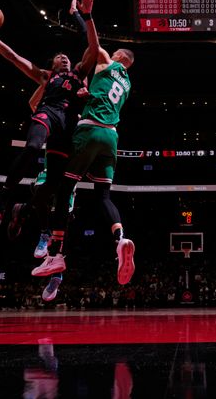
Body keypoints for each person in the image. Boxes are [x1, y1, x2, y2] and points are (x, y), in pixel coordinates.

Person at [0, 0, 100, 236]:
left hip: (67, 125)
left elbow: (94, 47)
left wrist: (87, 17)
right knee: (32, 147)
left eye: (66, 57)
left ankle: (23, 211)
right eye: (59, 57)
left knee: (52, 184)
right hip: (48, 113)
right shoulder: (46, 76)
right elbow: (13, 57)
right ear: (52, 64)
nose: (64, 58)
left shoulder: (80, 73)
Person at [30, 24, 136, 293]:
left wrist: (83, 15)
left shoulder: (105, 62)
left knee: (63, 189)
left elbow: (93, 43)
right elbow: (100, 96)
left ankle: (54, 253)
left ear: (119, 57)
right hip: (111, 137)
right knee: (103, 196)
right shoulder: (126, 83)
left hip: (88, 130)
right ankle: (120, 239)